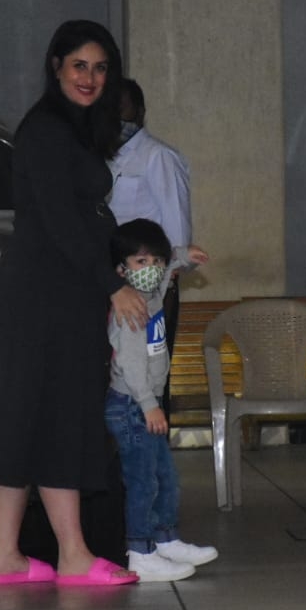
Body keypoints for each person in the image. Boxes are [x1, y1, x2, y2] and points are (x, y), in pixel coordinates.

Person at [0, 19, 148, 587]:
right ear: (56, 68)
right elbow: (63, 222)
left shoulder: (72, 130)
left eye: (100, 68)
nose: (90, 78)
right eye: (78, 66)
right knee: (51, 415)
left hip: (53, 291)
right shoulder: (46, 131)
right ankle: (71, 555)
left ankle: (9, 556)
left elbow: (77, 222)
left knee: (31, 417)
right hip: (45, 295)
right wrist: (112, 285)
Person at [105, 218, 219, 582]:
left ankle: (165, 538)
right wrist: (149, 403)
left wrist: (183, 256)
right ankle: (140, 550)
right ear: (121, 269)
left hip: (146, 405)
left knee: (164, 477)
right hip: (132, 406)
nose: (151, 269)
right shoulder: (130, 310)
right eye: (141, 262)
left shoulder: (151, 295)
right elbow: (131, 363)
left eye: (155, 261)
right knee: (142, 481)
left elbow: (167, 262)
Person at [108, 79, 192, 415]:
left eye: (122, 108)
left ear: (140, 112)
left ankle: (152, 448)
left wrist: (167, 281)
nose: (116, 117)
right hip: (116, 283)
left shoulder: (158, 157)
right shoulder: (105, 157)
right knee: (120, 372)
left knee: (152, 372)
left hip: (152, 288)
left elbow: (177, 226)